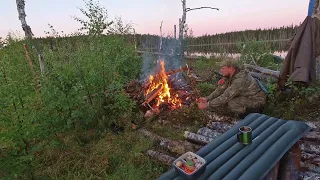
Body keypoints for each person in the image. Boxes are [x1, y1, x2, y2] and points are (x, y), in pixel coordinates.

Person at [197, 60, 266, 117]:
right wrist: (207, 98)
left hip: (256, 100)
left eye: (223, 68)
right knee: (228, 101)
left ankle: (248, 116)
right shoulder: (231, 75)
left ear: (231, 68)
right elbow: (221, 89)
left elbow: (226, 97)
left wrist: (208, 105)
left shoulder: (240, 80)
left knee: (232, 103)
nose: (221, 70)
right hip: (247, 96)